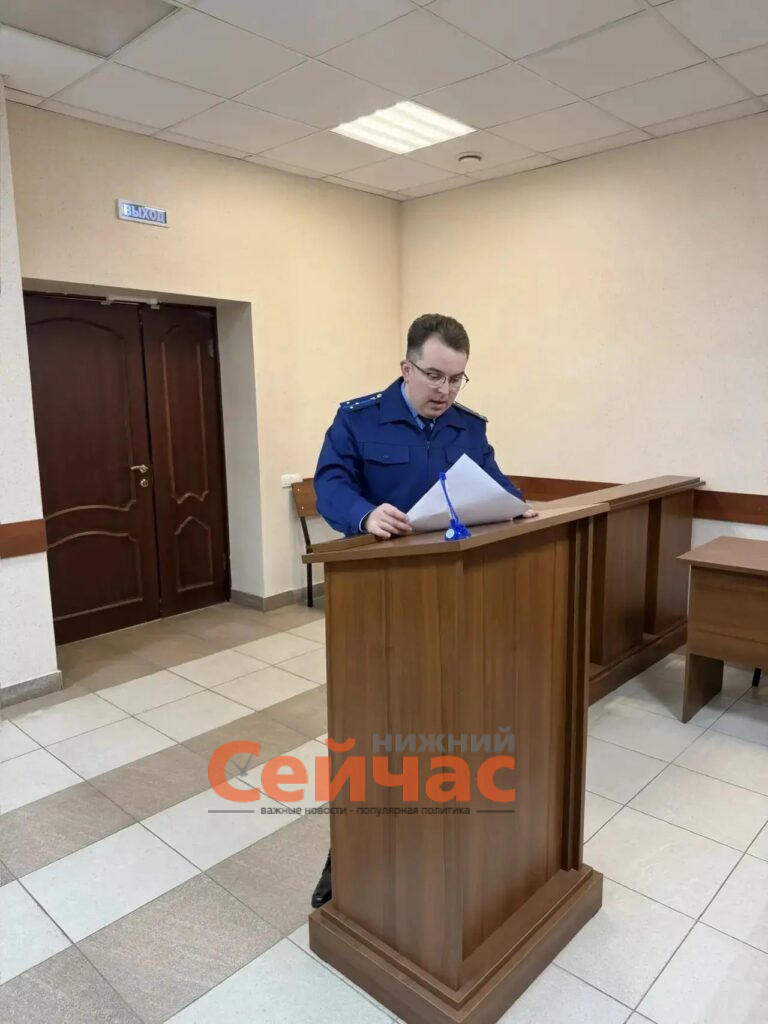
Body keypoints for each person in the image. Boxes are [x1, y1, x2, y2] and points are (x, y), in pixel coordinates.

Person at [310, 313, 535, 908]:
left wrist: (517, 505)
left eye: (457, 379)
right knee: (373, 729)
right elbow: (330, 486)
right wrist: (364, 514)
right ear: (405, 367)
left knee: (443, 727)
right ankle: (349, 854)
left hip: (457, 600)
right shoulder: (358, 419)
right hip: (379, 600)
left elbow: (495, 483)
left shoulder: (468, 427)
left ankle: (438, 842)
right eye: (434, 375)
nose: (445, 390)